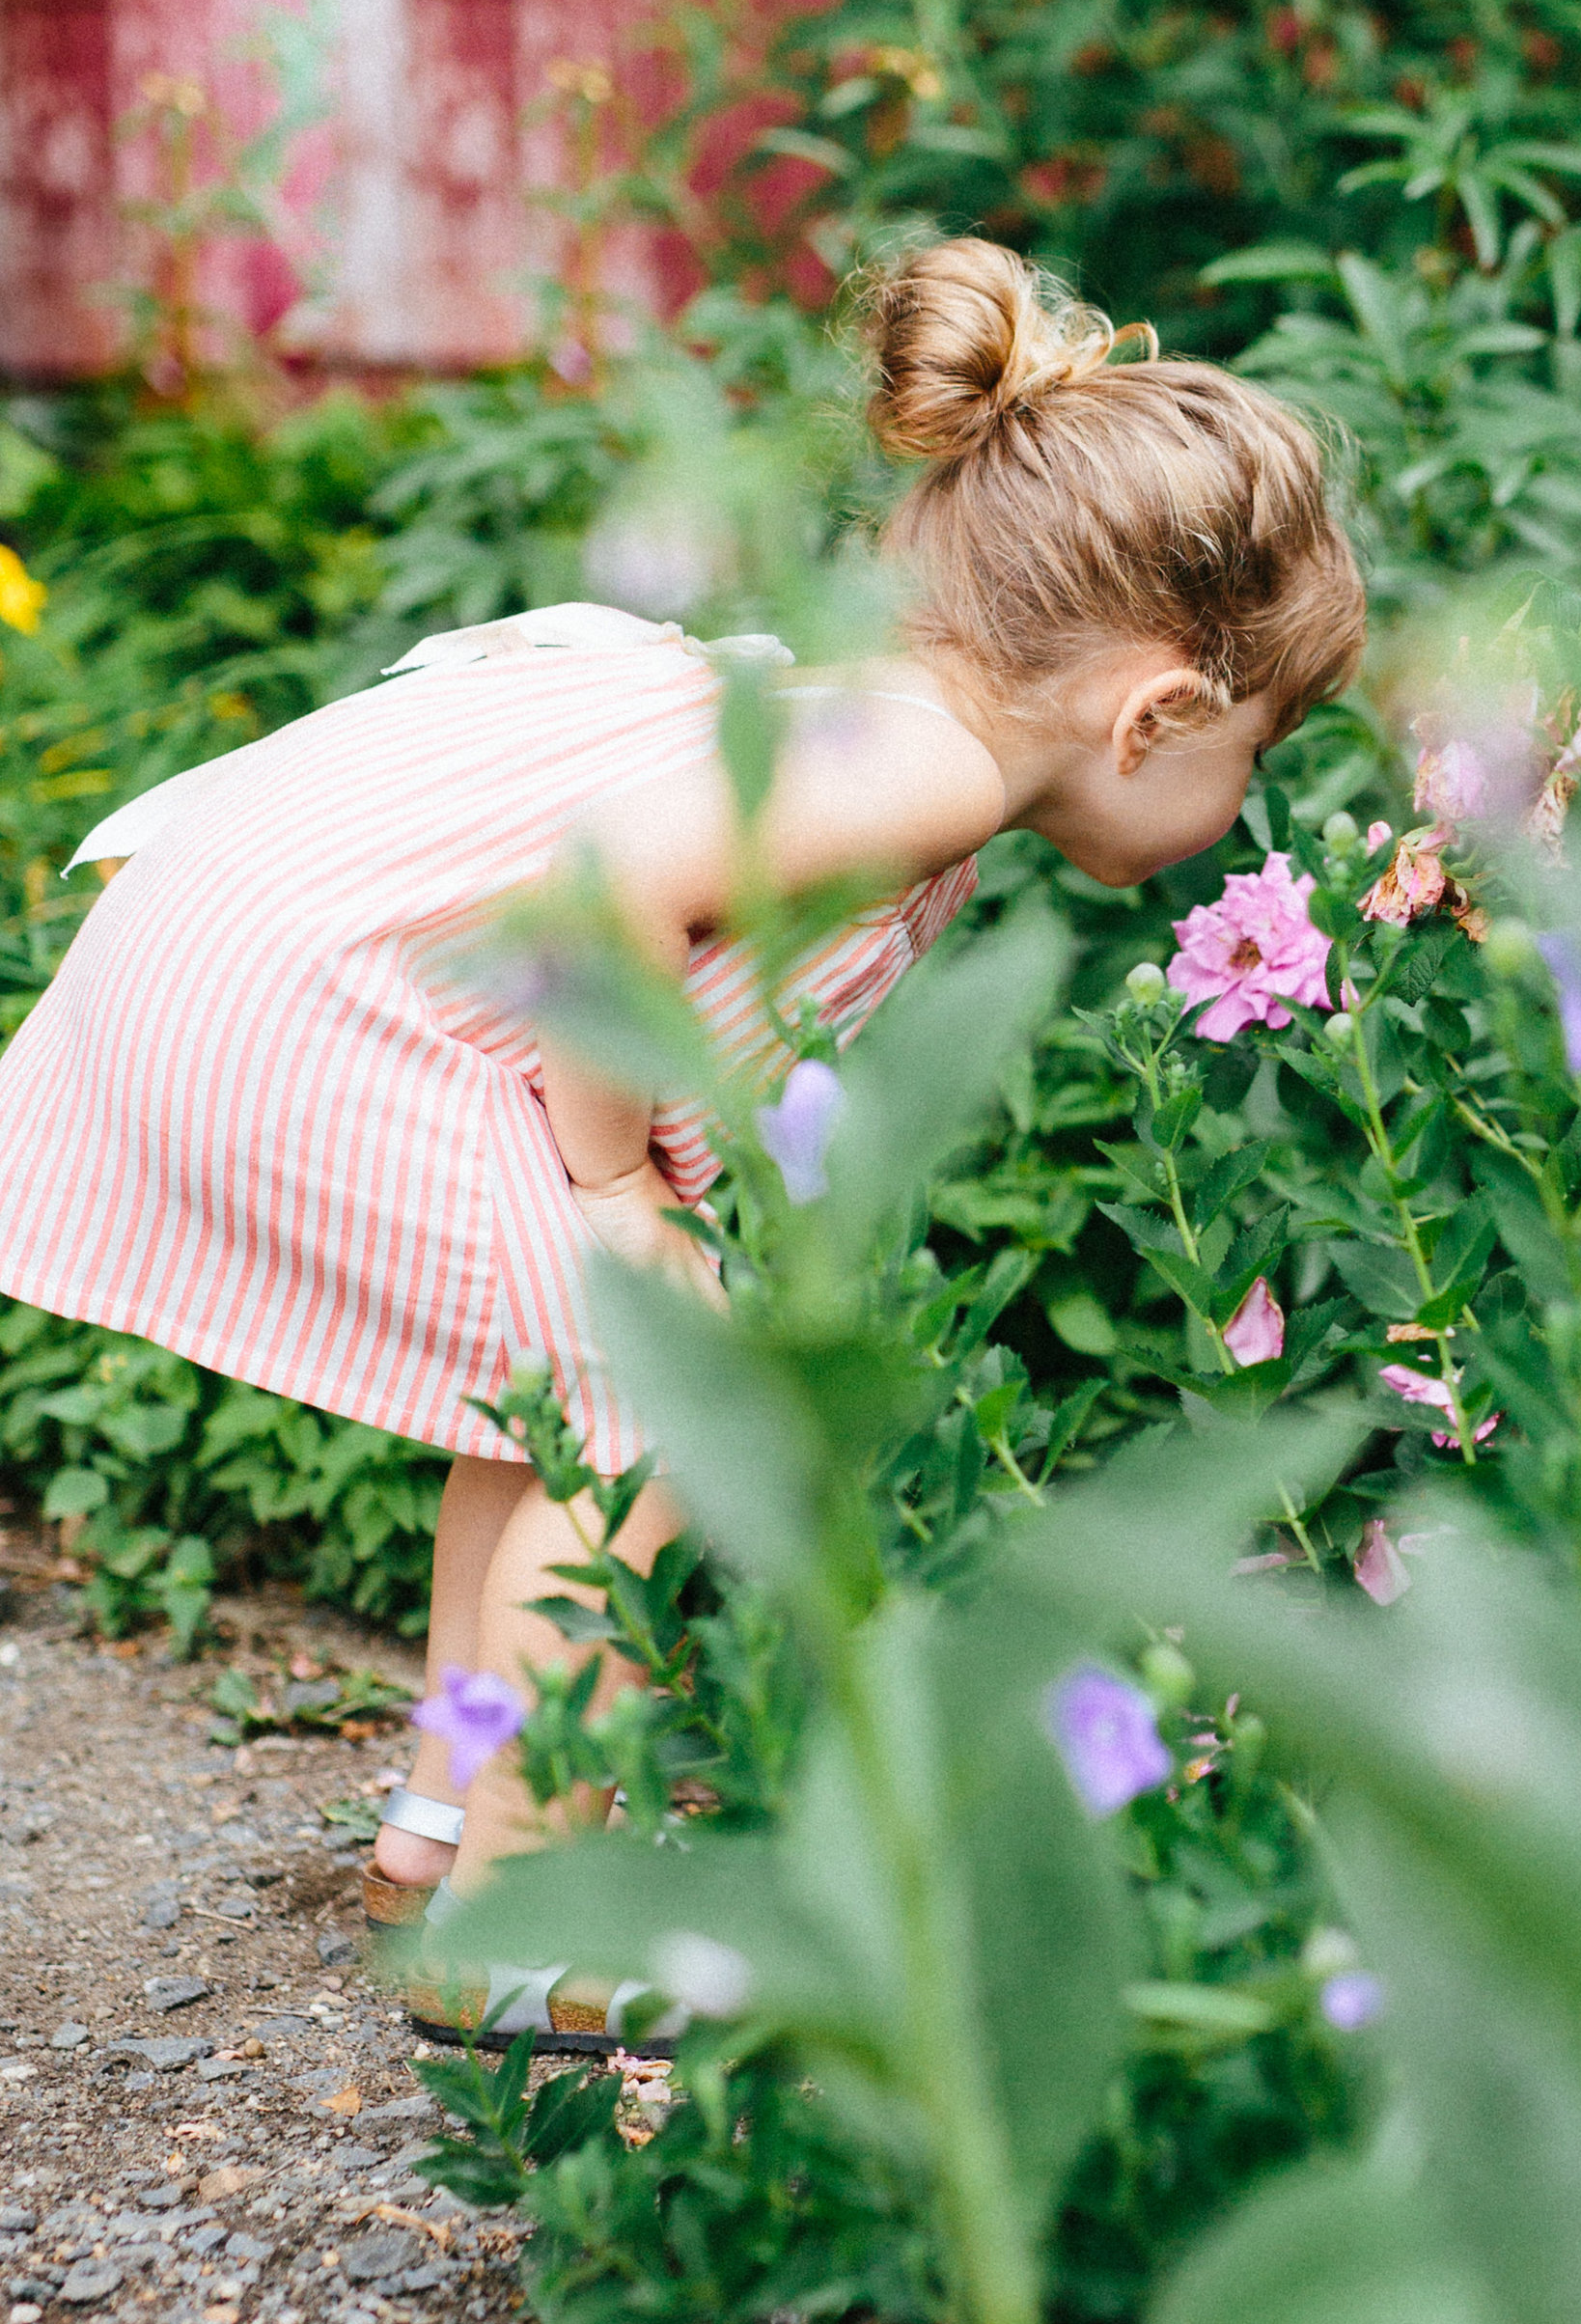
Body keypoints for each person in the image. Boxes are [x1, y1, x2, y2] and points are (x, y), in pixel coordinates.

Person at [0, 240, 1363, 2046]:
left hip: (235, 952)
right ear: (1158, 711)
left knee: (553, 1387)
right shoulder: (927, 770)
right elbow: (602, 891)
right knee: (651, 1397)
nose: (1242, 804)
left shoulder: (860, 717)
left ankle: (445, 1809)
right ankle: (526, 1901)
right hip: (313, 1006)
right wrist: (616, 1184)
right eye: (1257, 754)